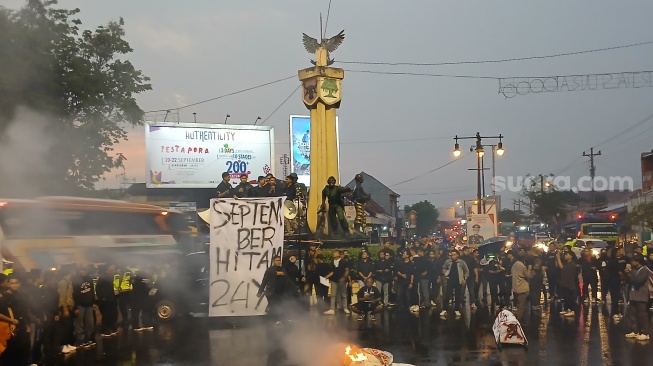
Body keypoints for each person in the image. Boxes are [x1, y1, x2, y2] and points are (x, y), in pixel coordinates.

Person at [257, 256, 297, 323]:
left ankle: (276, 320)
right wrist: (260, 292)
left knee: (279, 306)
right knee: (274, 306)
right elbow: (264, 281)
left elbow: (288, 280)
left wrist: (294, 289)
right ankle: (272, 320)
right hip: (271, 292)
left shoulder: (282, 269)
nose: (279, 262)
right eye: (277, 260)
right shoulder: (270, 270)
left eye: (279, 260)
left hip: (280, 292)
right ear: (273, 261)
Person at [625, 255, 650, 341]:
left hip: (641, 295)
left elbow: (638, 280)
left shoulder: (644, 270)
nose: (631, 263)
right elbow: (630, 281)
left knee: (642, 315)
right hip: (633, 294)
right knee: (632, 314)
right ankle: (634, 330)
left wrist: (631, 272)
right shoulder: (635, 270)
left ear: (638, 262)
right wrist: (627, 273)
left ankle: (645, 332)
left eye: (633, 261)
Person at [72, 265, 96, 348]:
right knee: (79, 324)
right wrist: (75, 306)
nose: (83, 271)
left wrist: (93, 302)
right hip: (80, 305)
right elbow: (74, 294)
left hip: (89, 304)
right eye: (82, 270)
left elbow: (92, 291)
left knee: (89, 323)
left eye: (85, 270)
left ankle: (88, 339)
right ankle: (80, 340)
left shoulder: (89, 278)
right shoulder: (75, 280)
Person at [441, 249, 469, 318]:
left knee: (458, 295)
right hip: (450, 280)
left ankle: (457, 309)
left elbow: (466, 271)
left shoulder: (461, 262)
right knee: (447, 295)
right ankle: (444, 309)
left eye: (454, 255)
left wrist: (465, 278)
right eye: (451, 255)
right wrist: (446, 274)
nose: (452, 256)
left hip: (458, 281)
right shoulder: (448, 261)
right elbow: (443, 268)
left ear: (458, 255)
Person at [323, 251, 350, 315]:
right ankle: (332, 309)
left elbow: (347, 270)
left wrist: (344, 277)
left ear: (339, 255)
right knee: (333, 294)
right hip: (334, 280)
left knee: (343, 294)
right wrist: (326, 277)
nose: (334, 255)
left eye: (335, 253)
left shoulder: (344, 262)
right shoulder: (332, 262)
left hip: (342, 280)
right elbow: (333, 271)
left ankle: (345, 308)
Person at [96, 264, 119, 337]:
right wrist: (102, 297)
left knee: (113, 314)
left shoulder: (112, 276)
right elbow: (97, 288)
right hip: (106, 300)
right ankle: (105, 330)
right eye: (112, 266)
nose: (114, 267)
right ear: (107, 268)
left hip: (112, 298)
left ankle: (112, 328)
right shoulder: (103, 277)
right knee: (106, 315)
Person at [131, 266, 155, 331]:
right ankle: (135, 326)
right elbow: (137, 286)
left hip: (145, 296)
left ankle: (146, 324)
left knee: (145, 309)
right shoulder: (138, 276)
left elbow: (149, 285)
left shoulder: (148, 276)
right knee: (136, 311)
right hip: (137, 296)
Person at [557, 250, 577, 317]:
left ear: (571, 256)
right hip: (564, 282)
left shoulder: (572, 264)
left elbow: (562, 268)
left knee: (569, 297)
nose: (565, 256)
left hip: (569, 283)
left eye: (567, 255)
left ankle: (572, 310)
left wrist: (558, 258)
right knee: (565, 297)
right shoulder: (566, 263)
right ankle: (567, 309)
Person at [511, 253, 530, 325]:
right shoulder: (522, 266)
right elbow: (527, 275)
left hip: (515, 286)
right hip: (521, 286)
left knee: (519, 303)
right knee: (522, 304)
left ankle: (518, 317)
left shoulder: (514, 265)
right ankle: (519, 319)